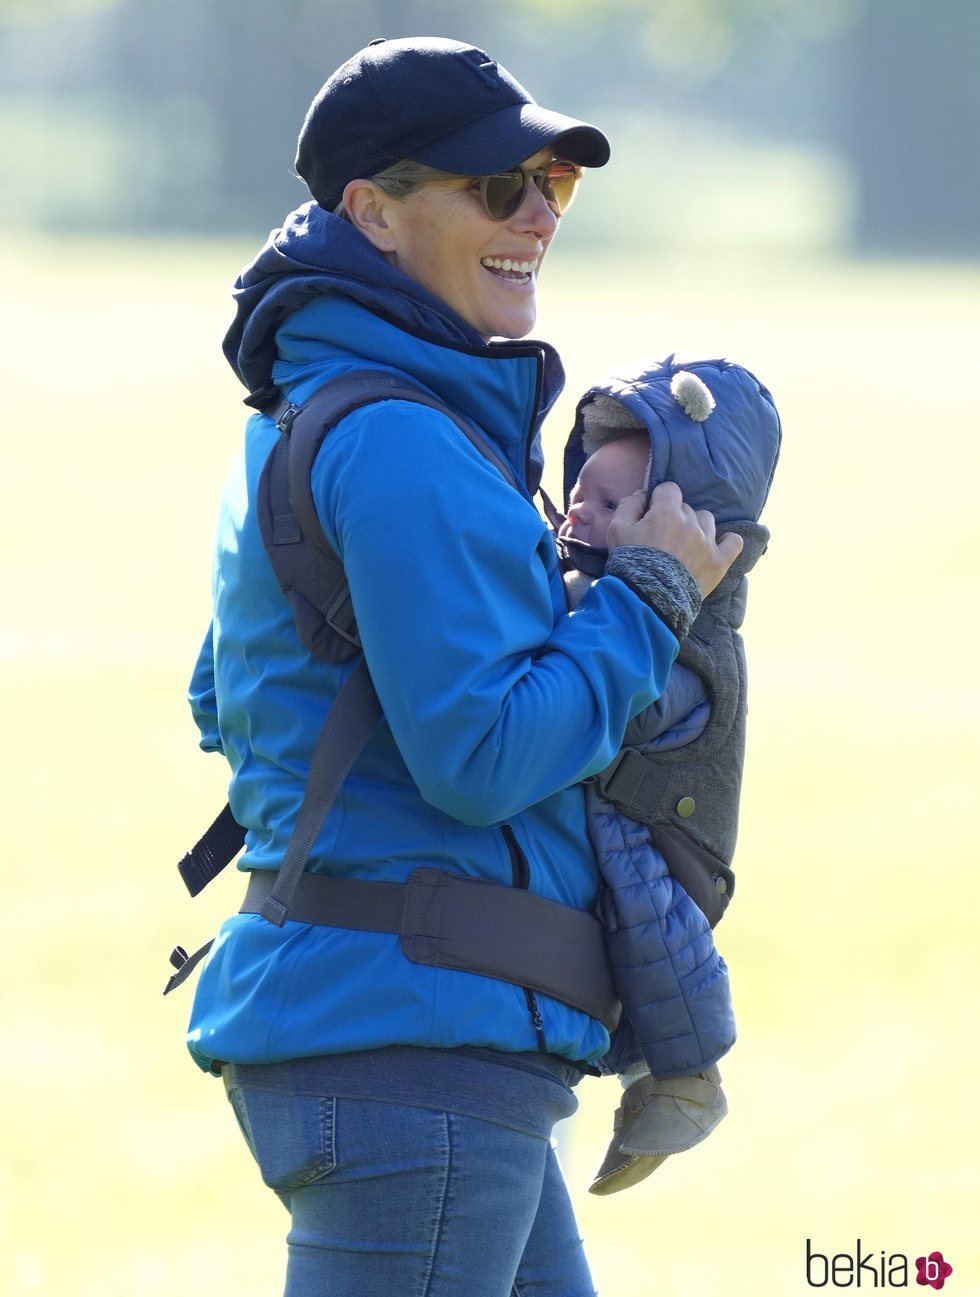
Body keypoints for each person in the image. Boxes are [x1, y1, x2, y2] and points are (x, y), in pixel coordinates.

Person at [185, 36, 742, 1297]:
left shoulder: (325, 405)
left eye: (552, 181)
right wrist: (649, 596)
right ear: (372, 214)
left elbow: (224, 696)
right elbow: (483, 756)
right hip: (412, 1050)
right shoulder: (399, 440)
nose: (538, 213)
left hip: (411, 1038)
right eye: (497, 188)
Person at [555, 357, 782, 1194]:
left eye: (612, 507)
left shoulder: (692, 629)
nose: (581, 509)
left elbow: (627, 711)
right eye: (582, 490)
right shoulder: (594, 580)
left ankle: (684, 1070)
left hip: (661, 822)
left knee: (646, 905)